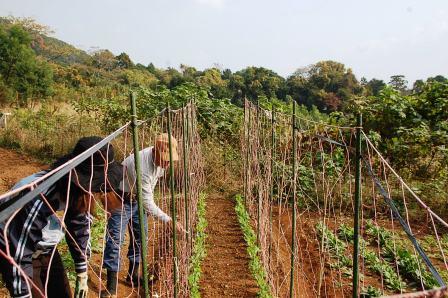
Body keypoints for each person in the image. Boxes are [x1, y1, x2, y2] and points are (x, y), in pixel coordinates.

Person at [0, 136, 123, 298]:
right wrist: (22, 294)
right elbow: (19, 254)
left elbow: (78, 226)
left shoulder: (77, 192)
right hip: (14, 248)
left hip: (45, 248)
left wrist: (82, 271)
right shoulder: (38, 196)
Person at [101, 133, 185, 298]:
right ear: (155, 152)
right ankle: (111, 287)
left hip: (137, 199)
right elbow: (147, 199)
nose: (167, 164)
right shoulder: (141, 165)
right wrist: (168, 220)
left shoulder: (161, 162)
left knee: (141, 236)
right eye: (165, 160)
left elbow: (149, 190)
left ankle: (132, 275)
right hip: (120, 198)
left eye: (170, 160)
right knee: (115, 240)